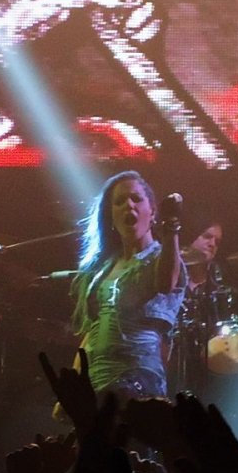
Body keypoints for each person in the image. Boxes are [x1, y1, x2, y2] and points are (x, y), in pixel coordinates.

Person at [69, 170, 186, 400]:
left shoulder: (163, 258)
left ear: (152, 211)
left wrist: (171, 227)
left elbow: (165, 283)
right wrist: (72, 386)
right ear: (111, 218)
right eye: (119, 202)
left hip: (138, 380)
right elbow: (92, 333)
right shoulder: (104, 268)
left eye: (136, 198)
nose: (129, 205)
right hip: (96, 381)